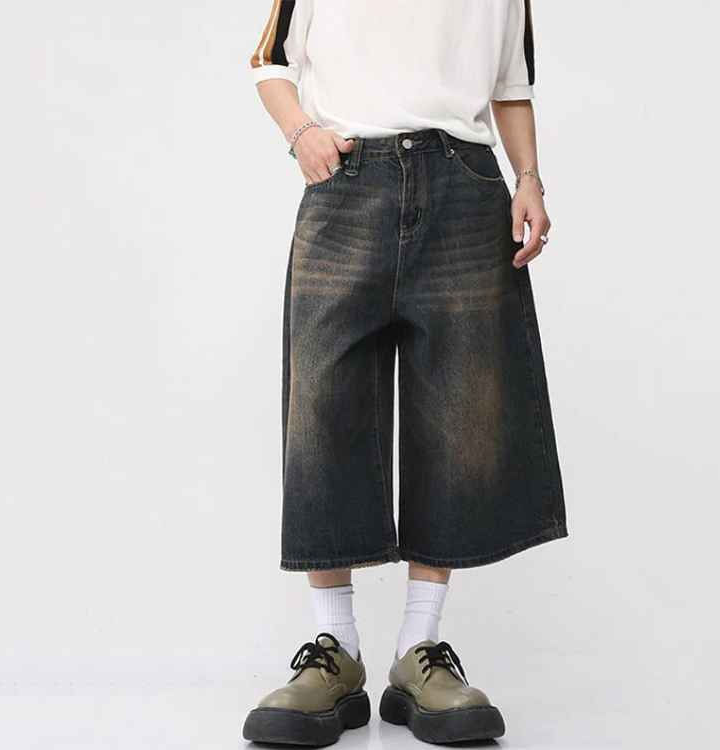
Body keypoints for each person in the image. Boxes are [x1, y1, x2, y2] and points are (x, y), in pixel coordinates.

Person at [242, 1, 568, 745]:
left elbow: (510, 87)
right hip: (346, 179)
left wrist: (529, 179)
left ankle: (419, 650)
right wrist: (301, 134)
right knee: (323, 410)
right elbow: (268, 62)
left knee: (459, 412)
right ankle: (335, 650)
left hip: (465, 183)